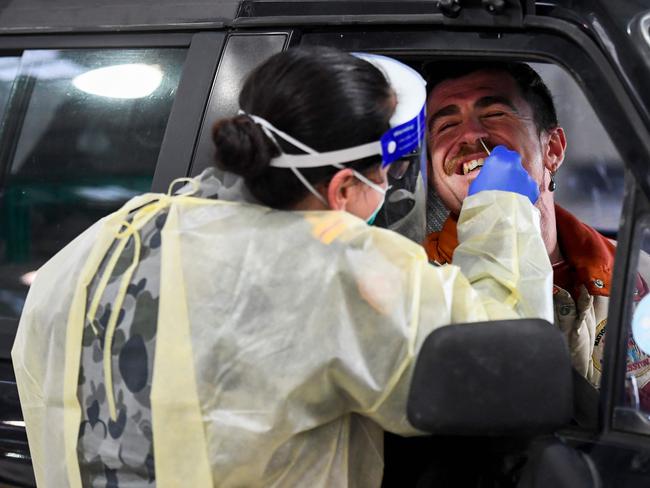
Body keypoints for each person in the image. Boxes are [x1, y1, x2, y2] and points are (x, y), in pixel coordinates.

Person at [12, 48, 552, 488]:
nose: (392, 189)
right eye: (388, 173)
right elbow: (505, 369)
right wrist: (501, 212)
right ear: (344, 187)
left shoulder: (96, 245)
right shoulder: (336, 267)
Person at [422, 60, 650, 403]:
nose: (469, 135)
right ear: (433, 173)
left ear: (553, 149)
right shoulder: (415, 282)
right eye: (447, 125)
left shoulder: (640, 275)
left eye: (495, 114)